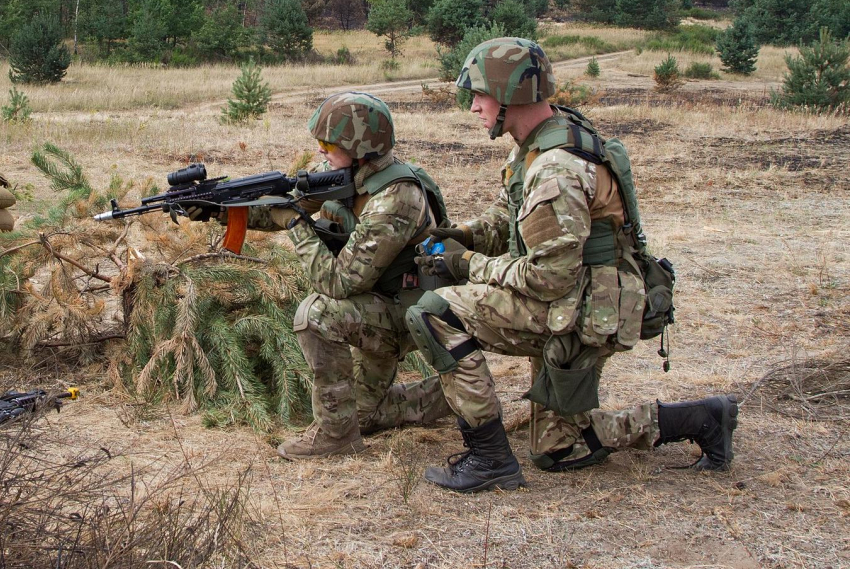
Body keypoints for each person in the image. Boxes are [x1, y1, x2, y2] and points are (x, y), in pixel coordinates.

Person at [406, 38, 738, 492]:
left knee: (431, 312)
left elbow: (546, 277)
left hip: (577, 310)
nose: (473, 107)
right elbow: (509, 216)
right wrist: (461, 235)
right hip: (582, 300)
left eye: (479, 94)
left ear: (509, 94)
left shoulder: (555, 169)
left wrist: (469, 266)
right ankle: (704, 418)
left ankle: (488, 458)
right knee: (558, 451)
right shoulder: (542, 139)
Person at [234, 92, 451, 458]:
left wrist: (295, 225)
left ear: (360, 147)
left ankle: (336, 438)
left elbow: (338, 282)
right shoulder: (348, 174)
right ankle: (448, 396)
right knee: (362, 416)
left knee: (316, 313)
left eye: (327, 144)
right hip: (380, 303)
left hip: (410, 314)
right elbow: (284, 207)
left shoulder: (396, 198)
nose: (320, 152)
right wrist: (222, 212)